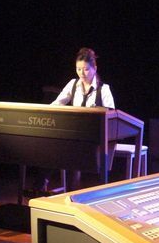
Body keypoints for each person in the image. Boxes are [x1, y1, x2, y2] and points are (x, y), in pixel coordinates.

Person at [33, 47, 115, 193]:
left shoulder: (103, 89)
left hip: (94, 137)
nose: (82, 73)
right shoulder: (73, 84)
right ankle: (40, 186)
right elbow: (57, 104)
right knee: (51, 144)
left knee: (74, 149)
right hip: (75, 134)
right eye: (78, 69)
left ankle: (71, 192)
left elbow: (112, 115)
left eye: (86, 69)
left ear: (95, 68)